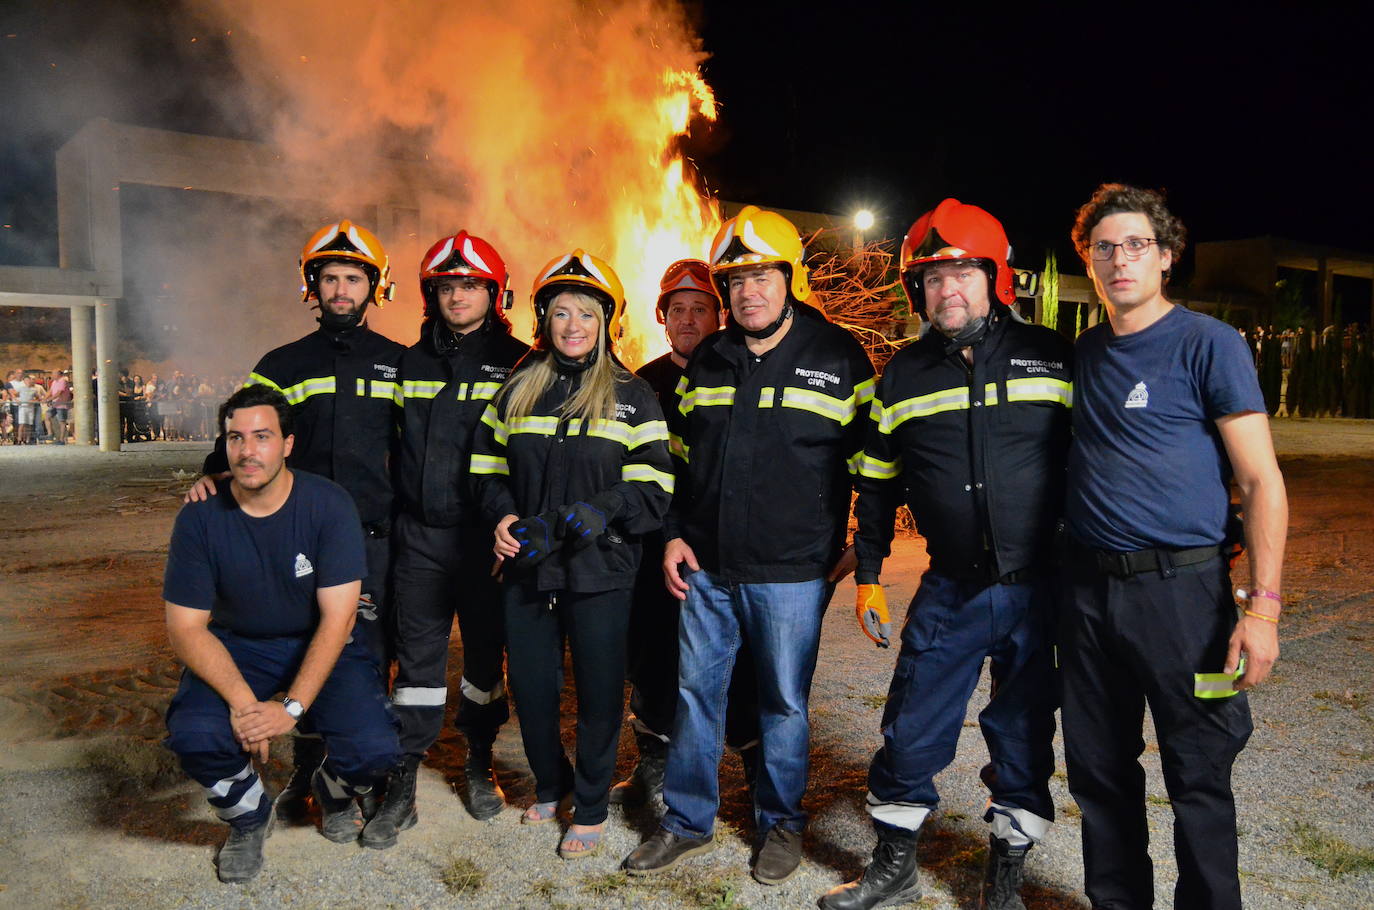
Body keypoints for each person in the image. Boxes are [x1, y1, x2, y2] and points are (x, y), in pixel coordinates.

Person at [820, 199, 1072, 910]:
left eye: (961, 272)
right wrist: (868, 574)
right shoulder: (900, 377)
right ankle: (893, 869)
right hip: (950, 590)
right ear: (916, 292)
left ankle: (1005, 883)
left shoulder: (1054, 357)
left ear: (996, 278)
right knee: (911, 729)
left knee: (1023, 733)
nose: (946, 291)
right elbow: (874, 484)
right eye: (931, 279)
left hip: (1037, 591)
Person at [623, 207, 875, 884]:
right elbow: (676, 460)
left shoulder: (837, 356)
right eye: (735, 279)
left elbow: (876, 464)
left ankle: (781, 827)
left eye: (762, 275)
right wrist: (673, 534)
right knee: (696, 698)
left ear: (789, 280)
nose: (748, 291)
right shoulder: (709, 358)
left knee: (784, 703)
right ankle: (686, 822)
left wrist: (863, 549)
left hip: (792, 574)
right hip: (707, 568)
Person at [1061, 184, 1287, 909]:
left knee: (1198, 773)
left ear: (1165, 257)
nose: (1119, 259)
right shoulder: (1086, 355)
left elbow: (1260, 481)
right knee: (1099, 772)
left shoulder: (1208, 343)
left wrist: (1264, 612)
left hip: (1184, 598)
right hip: (1091, 597)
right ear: (1089, 263)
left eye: (1135, 246)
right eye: (1104, 248)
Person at [186, 220, 404, 820]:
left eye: (352, 279)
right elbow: (245, 433)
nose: (340, 289)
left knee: (368, 653)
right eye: (329, 278)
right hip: (299, 543)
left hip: (375, 541)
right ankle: (309, 772)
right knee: (306, 643)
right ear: (312, 286)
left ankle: (351, 772)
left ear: (374, 288)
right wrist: (213, 473)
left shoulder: (398, 364)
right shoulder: (280, 363)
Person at [470, 249, 673, 859]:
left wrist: (606, 508)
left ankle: (588, 805)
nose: (573, 326)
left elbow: (656, 487)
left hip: (601, 571)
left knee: (599, 690)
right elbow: (485, 469)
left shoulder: (634, 396)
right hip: (528, 570)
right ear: (544, 320)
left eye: (586, 313)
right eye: (561, 313)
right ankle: (550, 786)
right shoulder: (517, 390)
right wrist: (502, 515)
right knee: (533, 690)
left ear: (606, 321)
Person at [163, 385, 401, 883]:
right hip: (238, 647)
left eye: (262, 436)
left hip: (318, 640)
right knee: (196, 736)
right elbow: (186, 628)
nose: (248, 451)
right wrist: (246, 707)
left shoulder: (328, 504)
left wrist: (287, 710)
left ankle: (331, 792)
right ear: (224, 445)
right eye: (235, 438)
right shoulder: (200, 518)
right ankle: (249, 815)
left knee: (375, 748)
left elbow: (339, 621)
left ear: (288, 443)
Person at [361, 231, 529, 848]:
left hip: (486, 542)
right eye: (446, 286)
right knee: (418, 666)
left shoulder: (519, 364)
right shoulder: (409, 363)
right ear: (431, 294)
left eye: (470, 285)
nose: (458, 296)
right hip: (421, 539)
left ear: (495, 292)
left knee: (486, 663)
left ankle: (478, 764)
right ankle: (402, 781)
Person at [612, 259, 761, 810]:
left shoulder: (742, 372)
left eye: (701, 309)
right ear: (662, 318)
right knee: (653, 659)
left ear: (718, 316)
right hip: (653, 549)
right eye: (678, 310)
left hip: (722, 549)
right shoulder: (638, 385)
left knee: (744, 665)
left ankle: (753, 774)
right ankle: (654, 765)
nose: (689, 319)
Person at [48, 369, 73, 445]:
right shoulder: (54, 382)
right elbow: (50, 391)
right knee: (48, 416)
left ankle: (62, 439)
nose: (52, 375)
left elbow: (59, 393)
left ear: (58, 374)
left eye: (53, 373)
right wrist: (45, 399)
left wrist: (49, 399)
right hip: (55, 404)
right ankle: (51, 434)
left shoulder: (63, 381)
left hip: (62, 404)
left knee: (62, 421)